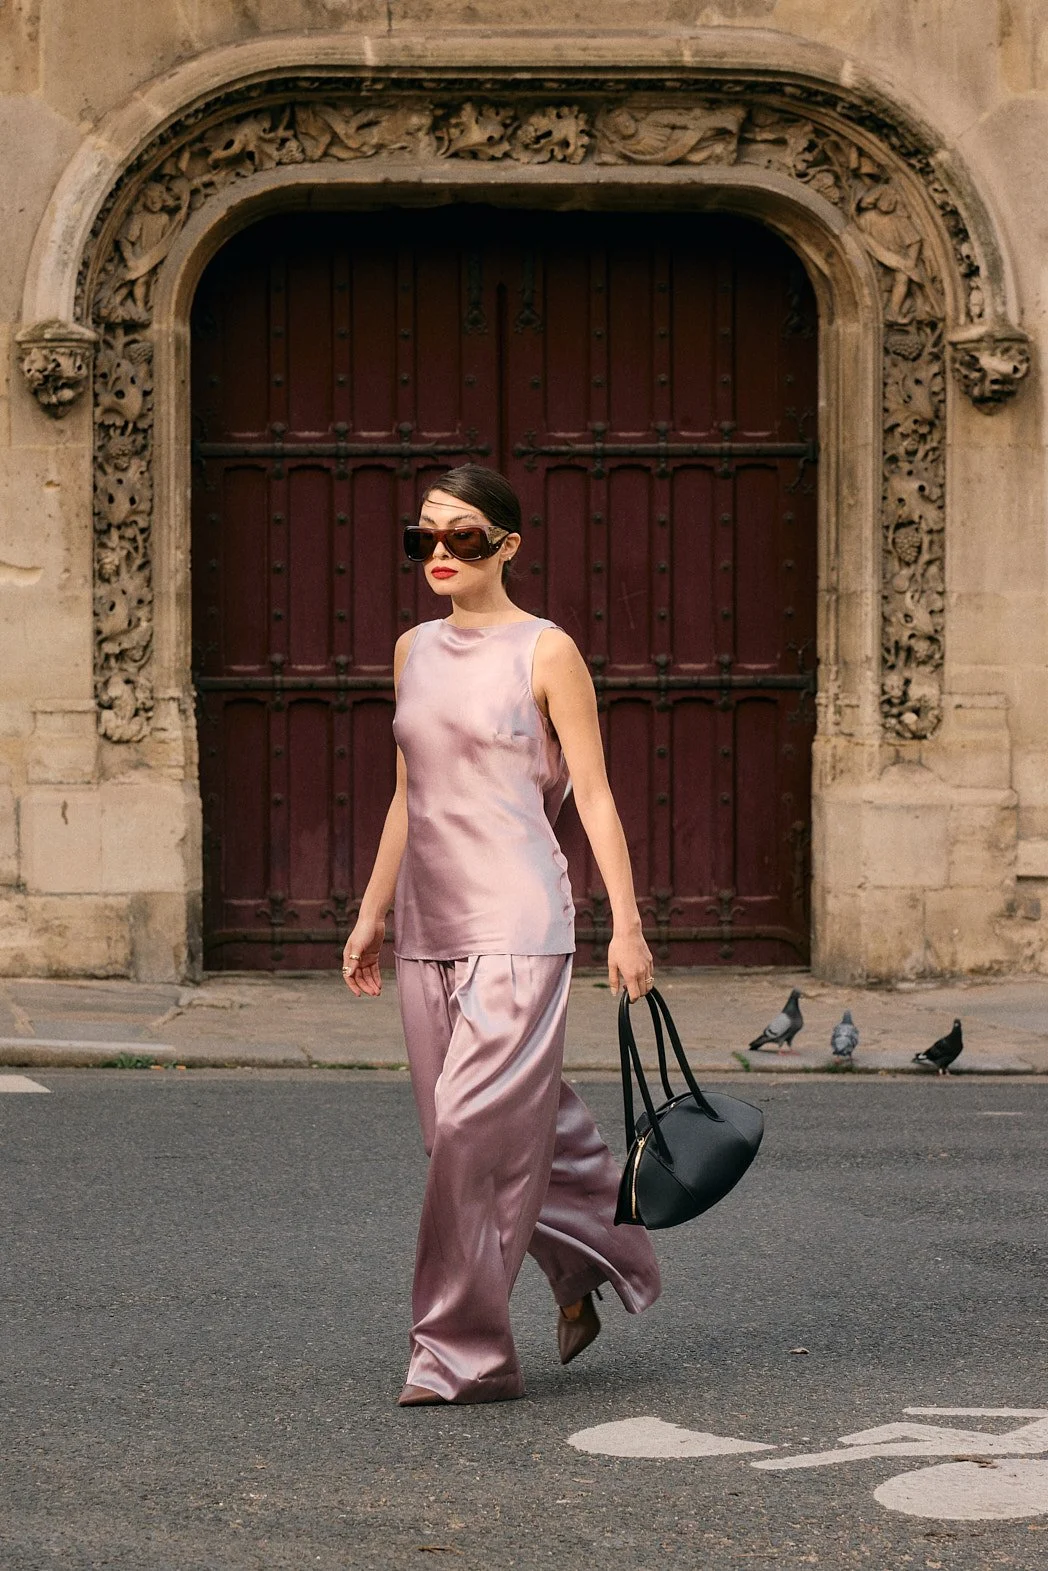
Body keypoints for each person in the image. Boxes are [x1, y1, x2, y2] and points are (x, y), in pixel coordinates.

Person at [342, 464, 661, 1406]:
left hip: (522, 919)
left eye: (464, 538)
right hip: (427, 922)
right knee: (468, 1136)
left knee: (477, 1135)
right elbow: (411, 791)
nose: (439, 554)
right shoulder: (411, 651)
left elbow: (594, 794)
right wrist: (370, 911)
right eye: (424, 538)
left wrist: (627, 926)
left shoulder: (547, 651)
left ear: (508, 547)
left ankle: (459, 1352)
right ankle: (594, 1258)